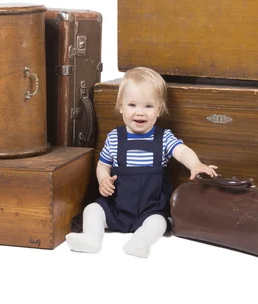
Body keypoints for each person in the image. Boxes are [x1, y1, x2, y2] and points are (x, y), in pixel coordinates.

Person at [65, 67, 218, 258]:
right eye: (132, 105)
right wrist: (103, 179)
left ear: (159, 109)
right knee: (92, 209)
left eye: (148, 106)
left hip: (150, 208)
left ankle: (140, 242)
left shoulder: (163, 138)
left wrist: (195, 164)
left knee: (159, 223)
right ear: (121, 106)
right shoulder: (114, 137)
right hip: (117, 207)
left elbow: (181, 151)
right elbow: (103, 164)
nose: (140, 113)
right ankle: (91, 239)